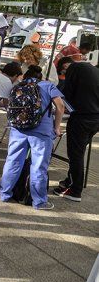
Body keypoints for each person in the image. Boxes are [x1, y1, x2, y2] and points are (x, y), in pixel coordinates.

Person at [0, 66, 64, 210]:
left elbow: (8, 105)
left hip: (18, 129)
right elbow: (60, 106)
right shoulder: (47, 85)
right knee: (38, 166)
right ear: (40, 76)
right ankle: (39, 202)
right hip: (41, 132)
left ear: (25, 76)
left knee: (12, 161)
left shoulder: (18, 86)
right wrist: (57, 127)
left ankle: (4, 194)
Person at [54, 61, 99, 202]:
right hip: (95, 119)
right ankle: (70, 182)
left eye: (63, 72)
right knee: (78, 152)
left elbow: (66, 94)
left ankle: (75, 190)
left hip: (81, 118)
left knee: (76, 155)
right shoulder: (91, 71)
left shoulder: (76, 68)